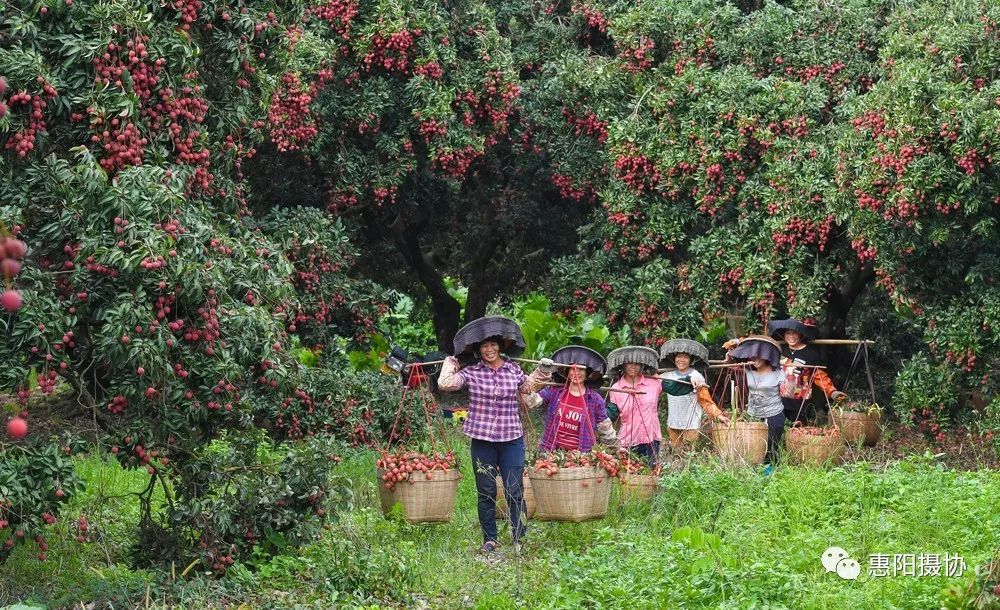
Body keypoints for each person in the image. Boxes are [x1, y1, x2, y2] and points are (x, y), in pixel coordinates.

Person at [438, 338, 551, 558]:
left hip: (511, 439)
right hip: (482, 440)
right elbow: (445, 383)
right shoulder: (471, 372)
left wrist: (542, 370)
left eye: (493, 345)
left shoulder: (513, 370)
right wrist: (451, 363)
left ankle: (519, 537)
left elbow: (529, 387)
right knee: (486, 491)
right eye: (484, 346)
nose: (489, 350)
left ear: (500, 347)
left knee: (514, 489)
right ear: (478, 350)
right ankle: (490, 539)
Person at [767, 318, 847, 425]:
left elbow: (818, 375)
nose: (791, 336)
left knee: (796, 431)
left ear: (800, 334)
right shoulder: (780, 350)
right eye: (788, 333)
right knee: (777, 428)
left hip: (800, 402)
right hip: (778, 400)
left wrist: (832, 391)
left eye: (795, 333)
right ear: (784, 335)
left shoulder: (810, 354)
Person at [658, 343, 730, 452]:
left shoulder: (696, 376)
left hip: (691, 423)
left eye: (685, 357)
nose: (681, 360)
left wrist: (718, 415)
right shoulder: (667, 376)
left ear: (691, 360)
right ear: (674, 358)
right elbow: (653, 386)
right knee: (676, 454)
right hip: (673, 422)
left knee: (689, 454)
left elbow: (705, 400)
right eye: (679, 356)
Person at [726, 336, 785, 468]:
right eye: (752, 356)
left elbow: (789, 392)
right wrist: (730, 354)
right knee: (754, 446)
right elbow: (730, 365)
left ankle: (770, 472)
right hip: (753, 415)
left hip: (773, 414)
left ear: (767, 356)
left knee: (771, 446)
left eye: (759, 356)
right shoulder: (747, 370)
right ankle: (753, 470)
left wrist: (792, 375)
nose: (755, 360)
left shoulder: (779, 373)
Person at [537, 364, 619, 453]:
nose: (577, 372)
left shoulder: (595, 399)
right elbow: (532, 401)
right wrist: (540, 373)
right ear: (567, 372)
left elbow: (605, 426)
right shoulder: (555, 391)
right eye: (573, 369)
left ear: (587, 373)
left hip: (581, 455)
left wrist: (616, 447)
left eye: (581, 369)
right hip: (550, 451)